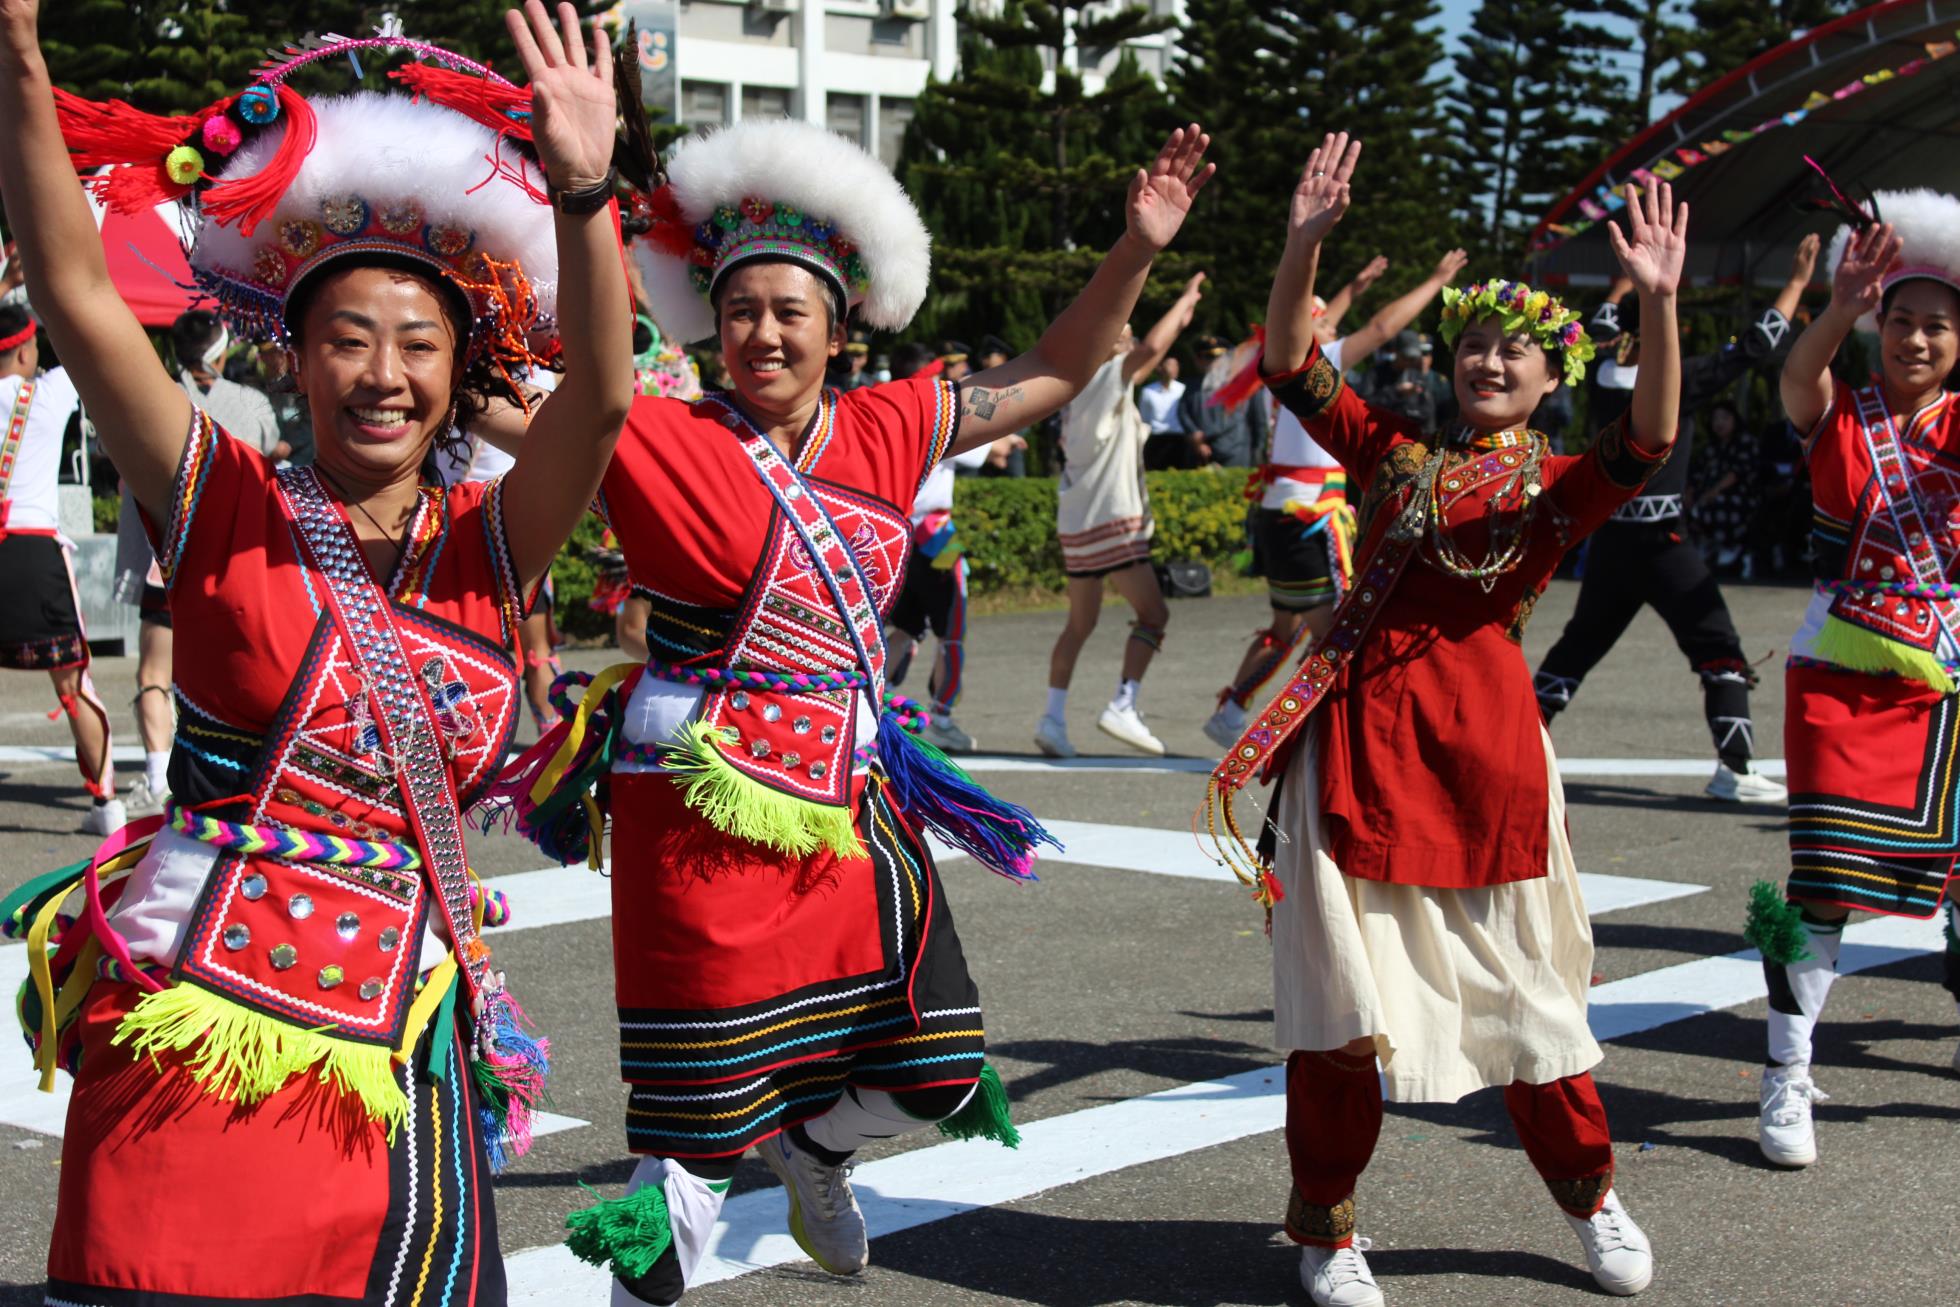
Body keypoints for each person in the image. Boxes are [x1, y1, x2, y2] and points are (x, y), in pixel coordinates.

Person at [495, 115, 1212, 1305]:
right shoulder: (647, 432)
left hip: (850, 796)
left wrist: (1135, 248)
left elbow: (1058, 364)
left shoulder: (897, 423)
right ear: (709, 324)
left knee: (935, 1062)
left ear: (840, 323)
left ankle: (820, 1147)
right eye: (739, 311)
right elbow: (497, 393)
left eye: (790, 310)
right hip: (701, 818)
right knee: (690, 1136)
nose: (763, 333)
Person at [0, 5, 633, 1301]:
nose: (382, 374)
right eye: (347, 338)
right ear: (294, 355)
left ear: (462, 372)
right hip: (202, 1036)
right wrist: (17, 60)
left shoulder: (491, 536)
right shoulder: (218, 493)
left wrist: (586, 188)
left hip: (397, 1049)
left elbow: (608, 398)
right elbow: (72, 290)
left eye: (417, 344)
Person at [1209, 132, 1683, 1305]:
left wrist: (1662, 308)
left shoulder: (1559, 487)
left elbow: (1651, 440)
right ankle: (1326, 1228)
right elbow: (1287, 363)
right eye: (1475, 341)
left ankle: (1591, 1197)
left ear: (1547, 379)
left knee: (1534, 1010)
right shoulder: (1389, 459)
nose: (1490, 358)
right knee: (1339, 1020)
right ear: (1450, 358)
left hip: (1488, 767)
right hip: (1355, 757)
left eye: (1516, 349)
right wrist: (1303, 241)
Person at [1747, 190, 1960, 1170]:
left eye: (1937, 326)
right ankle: (1783, 1073)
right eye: (1902, 321)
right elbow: (1796, 369)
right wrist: (1839, 301)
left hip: (1948, 679)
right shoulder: (1835, 408)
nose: (1916, 339)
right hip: (1840, 669)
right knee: (1823, 880)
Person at [1533, 238, 1815, 805]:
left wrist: (1626, 282)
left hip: (1610, 538)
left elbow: (1604, 318)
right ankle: (1734, 768)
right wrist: (1798, 281)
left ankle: (1514, 745)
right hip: (1662, 544)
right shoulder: (1680, 379)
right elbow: (1759, 342)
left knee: (1576, 649)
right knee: (1719, 648)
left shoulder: (1597, 369)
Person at [1205, 249, 1468, 748]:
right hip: (1309, 517)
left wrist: (1356, 285)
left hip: (1281, 511)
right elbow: (1383, 328)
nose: (1332, 332)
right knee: (1337, 633)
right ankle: (1308, 729)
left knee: (1286, 626)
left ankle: (1234, 710)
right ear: (1313, 332)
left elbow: (1320, 316)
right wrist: (1436, 280)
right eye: (1325, 325)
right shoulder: (1317, 361)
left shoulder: (1271, 366)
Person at [1038, 271, 1206, 758]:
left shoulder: (1074, 386)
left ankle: (1052, 716)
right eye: (1122, 332)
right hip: (1112, 519)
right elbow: (1155, 346)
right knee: (1154, 614)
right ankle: (1123, 703)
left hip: (1078, 522)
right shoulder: (1106, 378)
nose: (1129, 337)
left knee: (1080, 624)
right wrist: (1184, 298)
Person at [0, 301, 120, 835]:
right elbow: (79, 326)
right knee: (73, 688)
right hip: (34, 550)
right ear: (26, 349)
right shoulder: (47, 396)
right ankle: (104, 803)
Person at [883, 342, 990, 752]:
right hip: (937, 532)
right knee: (954, 627)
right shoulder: (936, 414)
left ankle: (876, 703)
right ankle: (942, 716)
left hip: (900, 533)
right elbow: (980, 455)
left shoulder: (887, 412)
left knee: (907, 625)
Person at [1690, 400, 1761, 572]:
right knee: (1687, 507)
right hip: (1706, 494)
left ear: (1734, 419)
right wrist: (1689, 493)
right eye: (1716, 419)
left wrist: (1713, 492)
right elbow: (1696, 473)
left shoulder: (1745, 442)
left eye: (1725, 418)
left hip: (1738, 495)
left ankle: (1729, 546)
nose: (1719, 423)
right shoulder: (1711, 447)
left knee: (1718, 503)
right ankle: (1706, 544)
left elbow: (1738, 472)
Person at [1138, 352, 1194, 467]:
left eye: (1176, 365)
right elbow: (1145, 418)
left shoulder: (1182, 389)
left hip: (1179, 440)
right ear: (1160, 368)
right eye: (1169, 365)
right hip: (1156, 439)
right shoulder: (1148, 391)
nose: (1173, 369)